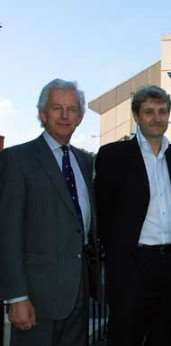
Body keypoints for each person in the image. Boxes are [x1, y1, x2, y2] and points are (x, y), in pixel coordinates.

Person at [0, 79, 98, 346]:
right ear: (43, 114)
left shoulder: (84, 160)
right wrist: (16, 297)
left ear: (80, 116)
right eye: (57, 108)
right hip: (36, 299)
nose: (65, 116)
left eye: (72, 109)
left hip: (78, 295)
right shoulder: (16, 160)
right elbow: (7, 233)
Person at [95, 85, 171, 346]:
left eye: (162, 111)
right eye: (149, 111)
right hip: (132, 266)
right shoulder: (114, 156)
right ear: (136, 115)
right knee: (125, 336)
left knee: (163, 336)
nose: (156, 118)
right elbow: (104, 211)